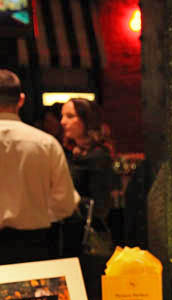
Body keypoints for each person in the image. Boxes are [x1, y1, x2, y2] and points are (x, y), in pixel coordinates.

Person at [0, 69, 80, 264]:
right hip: (34, 245)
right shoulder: (46, 144)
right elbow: (66, 204)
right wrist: (38, 211)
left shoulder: (47, 143)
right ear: (20, 100)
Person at [61, 98, 117, 230]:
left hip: (87, 230)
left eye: (70, 116)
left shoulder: (98, 156)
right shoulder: (72, 152)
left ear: (87, 120)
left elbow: (100, 206)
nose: (62, 122)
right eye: (62, 116)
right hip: (72, 225)